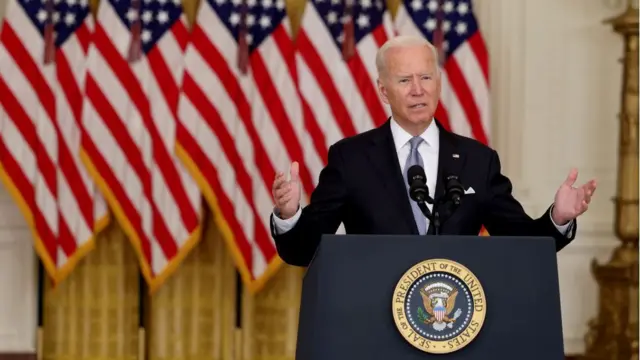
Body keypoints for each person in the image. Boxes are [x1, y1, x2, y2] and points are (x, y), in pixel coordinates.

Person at [269, 35, 597, 267]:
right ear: (383, 91)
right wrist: (289, 214)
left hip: (455, 322)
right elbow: (302, 251)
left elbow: (524, 244)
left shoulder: (477, 160)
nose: (417, 90)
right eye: (404, 80)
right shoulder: (350, 158)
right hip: (373, 324)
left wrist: (558, 218)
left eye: (426, 77)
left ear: (438, 83)